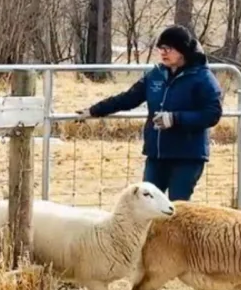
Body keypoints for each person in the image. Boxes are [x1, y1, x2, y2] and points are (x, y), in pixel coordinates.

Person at [72, 24, 223, 202]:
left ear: (182, 51)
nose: (163, 53)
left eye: (169, 48)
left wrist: (175, 119)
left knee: (178, 209)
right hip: (156, 154)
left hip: (187, 156)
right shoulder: (156, 75)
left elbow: (212, 113)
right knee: (146, 205)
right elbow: (129, 98)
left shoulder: (203, 78)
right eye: (161, 48)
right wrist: (95, 110)